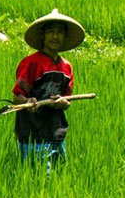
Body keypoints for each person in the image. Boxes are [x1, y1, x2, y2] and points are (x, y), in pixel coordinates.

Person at [12, 9, 85, 169]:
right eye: (50, 32)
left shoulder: (66, 67)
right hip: (33, 133)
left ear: (65, 37)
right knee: (38, 178)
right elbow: (17, 96)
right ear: (43, 36)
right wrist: (28, 102)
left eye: (60, 32)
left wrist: (63, 103)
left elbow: (67, 99)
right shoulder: (31, 63)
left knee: (59, 176)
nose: (55, 36)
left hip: (57, 132)